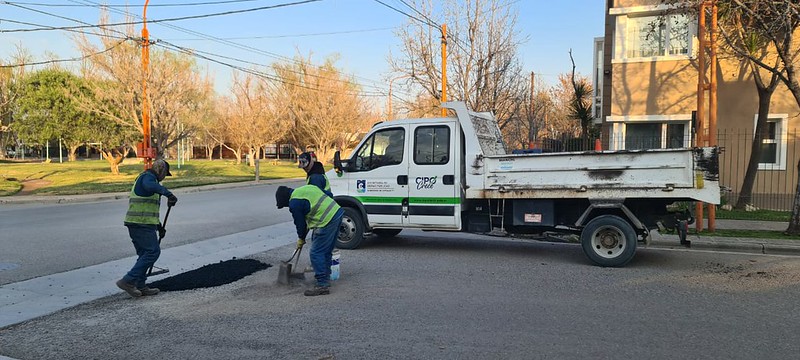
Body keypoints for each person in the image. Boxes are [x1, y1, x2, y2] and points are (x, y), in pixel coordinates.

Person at [116, 159, 178, 298]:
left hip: (141, 223)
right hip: (140, 224)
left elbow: (149, 209)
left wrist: (159, 226)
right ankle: (127, 281)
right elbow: (149, 186)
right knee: (152, 252)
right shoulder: (147, 178)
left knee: (144, 254)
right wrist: (168, 194)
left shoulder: (151, 181)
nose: (164, 178)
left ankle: (140, 285)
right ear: (161, 170)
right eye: (164, 174)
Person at [276, 184, 343, 296]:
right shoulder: (306, 188)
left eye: (285, 205)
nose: (288, 207)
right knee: (326, 250)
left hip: (326, 220)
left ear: (286, 200)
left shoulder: (294, 203)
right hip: (337, 213)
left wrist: (301, 238)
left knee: (316, 252)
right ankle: (325, 278)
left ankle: (322, 285)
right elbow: (328, 195)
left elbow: (300, 224)